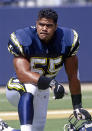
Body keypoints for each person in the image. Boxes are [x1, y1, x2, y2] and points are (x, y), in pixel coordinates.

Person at [0, 8, 91, 131]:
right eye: (41, 24)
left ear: (55, 27)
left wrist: (77, 106)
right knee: (29, 87)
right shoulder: (25, 38)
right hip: (18, 88)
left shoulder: (67, 40)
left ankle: (5, 129)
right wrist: (51, 83)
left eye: (49, 25)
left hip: (43, 90)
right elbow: (22, 74)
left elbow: (73, 76)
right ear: (36, 24)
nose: (44, 28)